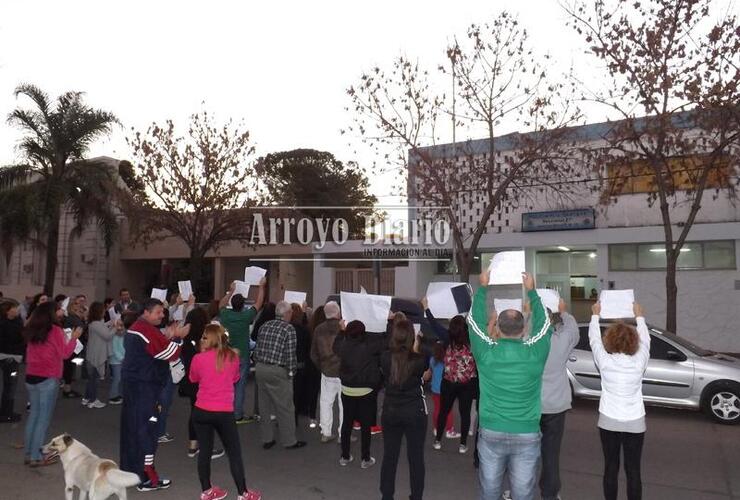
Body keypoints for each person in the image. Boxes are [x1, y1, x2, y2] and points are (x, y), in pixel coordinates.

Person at [468, 271, 552, 500]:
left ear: (498, 328)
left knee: (490, 491)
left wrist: (483, 287)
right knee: (523, 494)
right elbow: (545, 325)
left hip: (491, 431)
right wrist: (532, 291)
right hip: (527, 433)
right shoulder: (535, 354)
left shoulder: (486, 354)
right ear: (524, 330)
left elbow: (473, 322)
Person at [120, 298, 189, 491]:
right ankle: (147, 478)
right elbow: (170, 354)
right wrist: (177, 337)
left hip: (136, 388)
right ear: (146, 312)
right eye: (158, 312)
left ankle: (131, 473)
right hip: (145, 390)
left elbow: (155, 348)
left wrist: (168, 336)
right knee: (147, 432)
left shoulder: (138, 327)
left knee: (133, 431)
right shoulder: (145, 331)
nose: (162, 315)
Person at [190, 323, 262, 500]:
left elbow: (193, 378)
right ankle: (243, 492)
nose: (202, 339)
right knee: (234, 453)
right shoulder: (233, 357)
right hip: (223, 412)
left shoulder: (198, 358)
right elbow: (236, 378)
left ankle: (207, 491)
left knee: (205, 451)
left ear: (212, 339)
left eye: (205, 337)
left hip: (201, 410)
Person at [590, 302, 650, 500]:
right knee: (633, 471)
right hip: (635, 422)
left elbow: (594, 341)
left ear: (610, 340)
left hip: (609, 422)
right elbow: (646, 341)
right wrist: (639, 317)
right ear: (634, 341)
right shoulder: (639, 361)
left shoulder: (605, 362)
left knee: (610, 468)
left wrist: (595, 316)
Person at [23, 301, 81, 466]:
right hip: (48, 376)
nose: (61, 313)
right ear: (52, 313)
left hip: (31, 375)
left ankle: (29, 452)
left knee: (34, 415)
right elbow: (64, 353)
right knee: (43, 419)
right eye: (58, 310)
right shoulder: (55, 330)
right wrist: (74, 339)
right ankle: (36, 456)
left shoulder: (32, 329)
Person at [379, 319, 430, 500]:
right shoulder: (419, 359)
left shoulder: (385, 357)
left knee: (390, 456)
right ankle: (416, 496)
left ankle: (387, 495)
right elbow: (425, 373)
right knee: (416, 457)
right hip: (414, 411)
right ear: (412, 337)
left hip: (391, 410)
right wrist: (416, 346)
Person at [424, 300, 478, 454]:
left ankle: (438, 440)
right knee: (465, 413)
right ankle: (462, 445)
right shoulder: (472, 340)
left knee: (443, 411)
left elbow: (433, 324)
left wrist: (427, 308)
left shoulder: (447, 338)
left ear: (452, 328)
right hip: (467, 383)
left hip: (448, 382)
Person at [539, 299, 579, 500]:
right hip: (556, 406)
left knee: (526, 452)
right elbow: (573, 331)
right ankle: (550, 493)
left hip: (532, 405)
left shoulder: (530, 343)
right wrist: (564, 312)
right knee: (551, 453)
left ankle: (521, 488)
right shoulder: (561, 341)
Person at [253, 300, 306, 450]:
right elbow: (290, 355)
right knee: (286, 407)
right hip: (278, 370)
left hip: (261, 368)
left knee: (264, 406)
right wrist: (291, 373)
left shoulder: (265, 326)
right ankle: (289, 440)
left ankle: (267, 438)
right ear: (287, 313)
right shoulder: (289, 329)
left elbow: (257, 349)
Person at [333, 320, 385, 469]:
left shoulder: (343, 345)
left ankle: (345, 456)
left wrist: (341, 331)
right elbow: (386, 340)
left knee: (346, 424)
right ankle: (365, 458)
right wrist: (387, 321)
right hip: (366, 391)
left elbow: (334, 346)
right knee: (365, 426)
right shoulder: (369, 347)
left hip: (347, 390)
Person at [218, 278, 266, 424]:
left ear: (231, 304)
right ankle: (237, 415)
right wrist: (261, 287)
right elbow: (259, 303)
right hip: (243, 356)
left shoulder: (225, 315)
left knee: (227, 385)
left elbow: (221, 304)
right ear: (243, 305)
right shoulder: (246, 317)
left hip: (227, 355)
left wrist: (231, 290)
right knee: (240, 386)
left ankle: (225, 411)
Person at [181, 307, 225, 460]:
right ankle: (208, 448)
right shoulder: (205, 341)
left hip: (190, 381)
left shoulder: (186, 340)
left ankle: (193, 445)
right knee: (207, 415)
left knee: (194, 412)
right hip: (204, 383)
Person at [311, 302, 344, 443]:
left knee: (325, 402)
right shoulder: (344, 327)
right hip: (344, 372)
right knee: (344, 405)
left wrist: (322, 367)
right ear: (338, 313)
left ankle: (326, 432)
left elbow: (313, 354)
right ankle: (343, 434)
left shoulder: (319, 329)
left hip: (326, 371)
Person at [84, 301, 120, 409]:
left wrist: (111, 322)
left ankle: (87, 398)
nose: (105, 311)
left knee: (92, 379)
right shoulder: (96, 324)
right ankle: (93, 400)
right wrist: (115, 327)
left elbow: (103, 327)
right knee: (94, 379)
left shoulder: (95, 323)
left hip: (94, 353)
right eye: (103, 310)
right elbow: (107, 335)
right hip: (96, 354)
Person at [0, 299, 24, 422]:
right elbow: (15, 340)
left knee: (9, 385)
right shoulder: (6, 324)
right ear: (7, 311)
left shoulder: (15, 322)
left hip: (10, 357)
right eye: (14, 308)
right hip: (10, 358)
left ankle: (6, 411)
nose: (17, 310)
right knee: (11, 386)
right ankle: (6, 413)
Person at [290, 302, 313, 425]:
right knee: (298, 391)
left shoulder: (286, 328)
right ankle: (297, 413)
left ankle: (288, 417)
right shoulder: (303, 330)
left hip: (287, 364)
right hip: (300, 363)